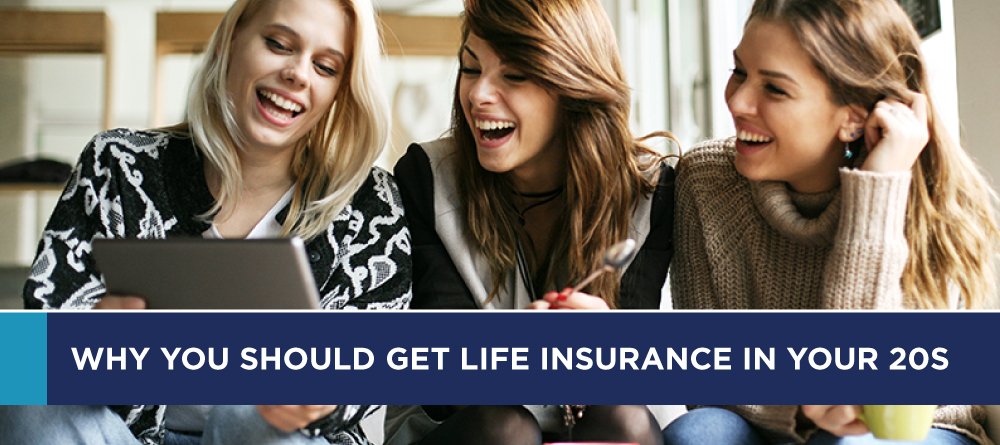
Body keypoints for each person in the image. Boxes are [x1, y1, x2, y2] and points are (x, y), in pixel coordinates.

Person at [13, 0, 411, 444]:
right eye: (279, 44)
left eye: (325, 66)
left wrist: (322, 393)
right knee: (26, 397)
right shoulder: (118, 165)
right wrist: (84, 338)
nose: (298, 74)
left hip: (274, 438)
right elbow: (38, 341)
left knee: (249, 405)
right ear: (232, 39)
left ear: (341, 90)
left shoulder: (369, 203)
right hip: (119, 435)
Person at [664, 0, 998, 443]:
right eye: (739, 71)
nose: (738, 100)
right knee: (700, 432)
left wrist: (879, 188)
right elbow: (709, 375)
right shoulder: (705, 183)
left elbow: (865, 382)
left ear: (854, 118)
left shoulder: (923, 195)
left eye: (776, 89)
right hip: (767, 425)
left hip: (913, 430)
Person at [385, 0, 673, 444]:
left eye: (514, 76)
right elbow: (446, 386)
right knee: (507, 430)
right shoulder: (427, 176)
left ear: (573, 86)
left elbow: (631, 383)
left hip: (589, 423)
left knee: (625, 422)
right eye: (470, 68)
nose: (478, 95)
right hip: (464, 427)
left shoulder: (650, 192)